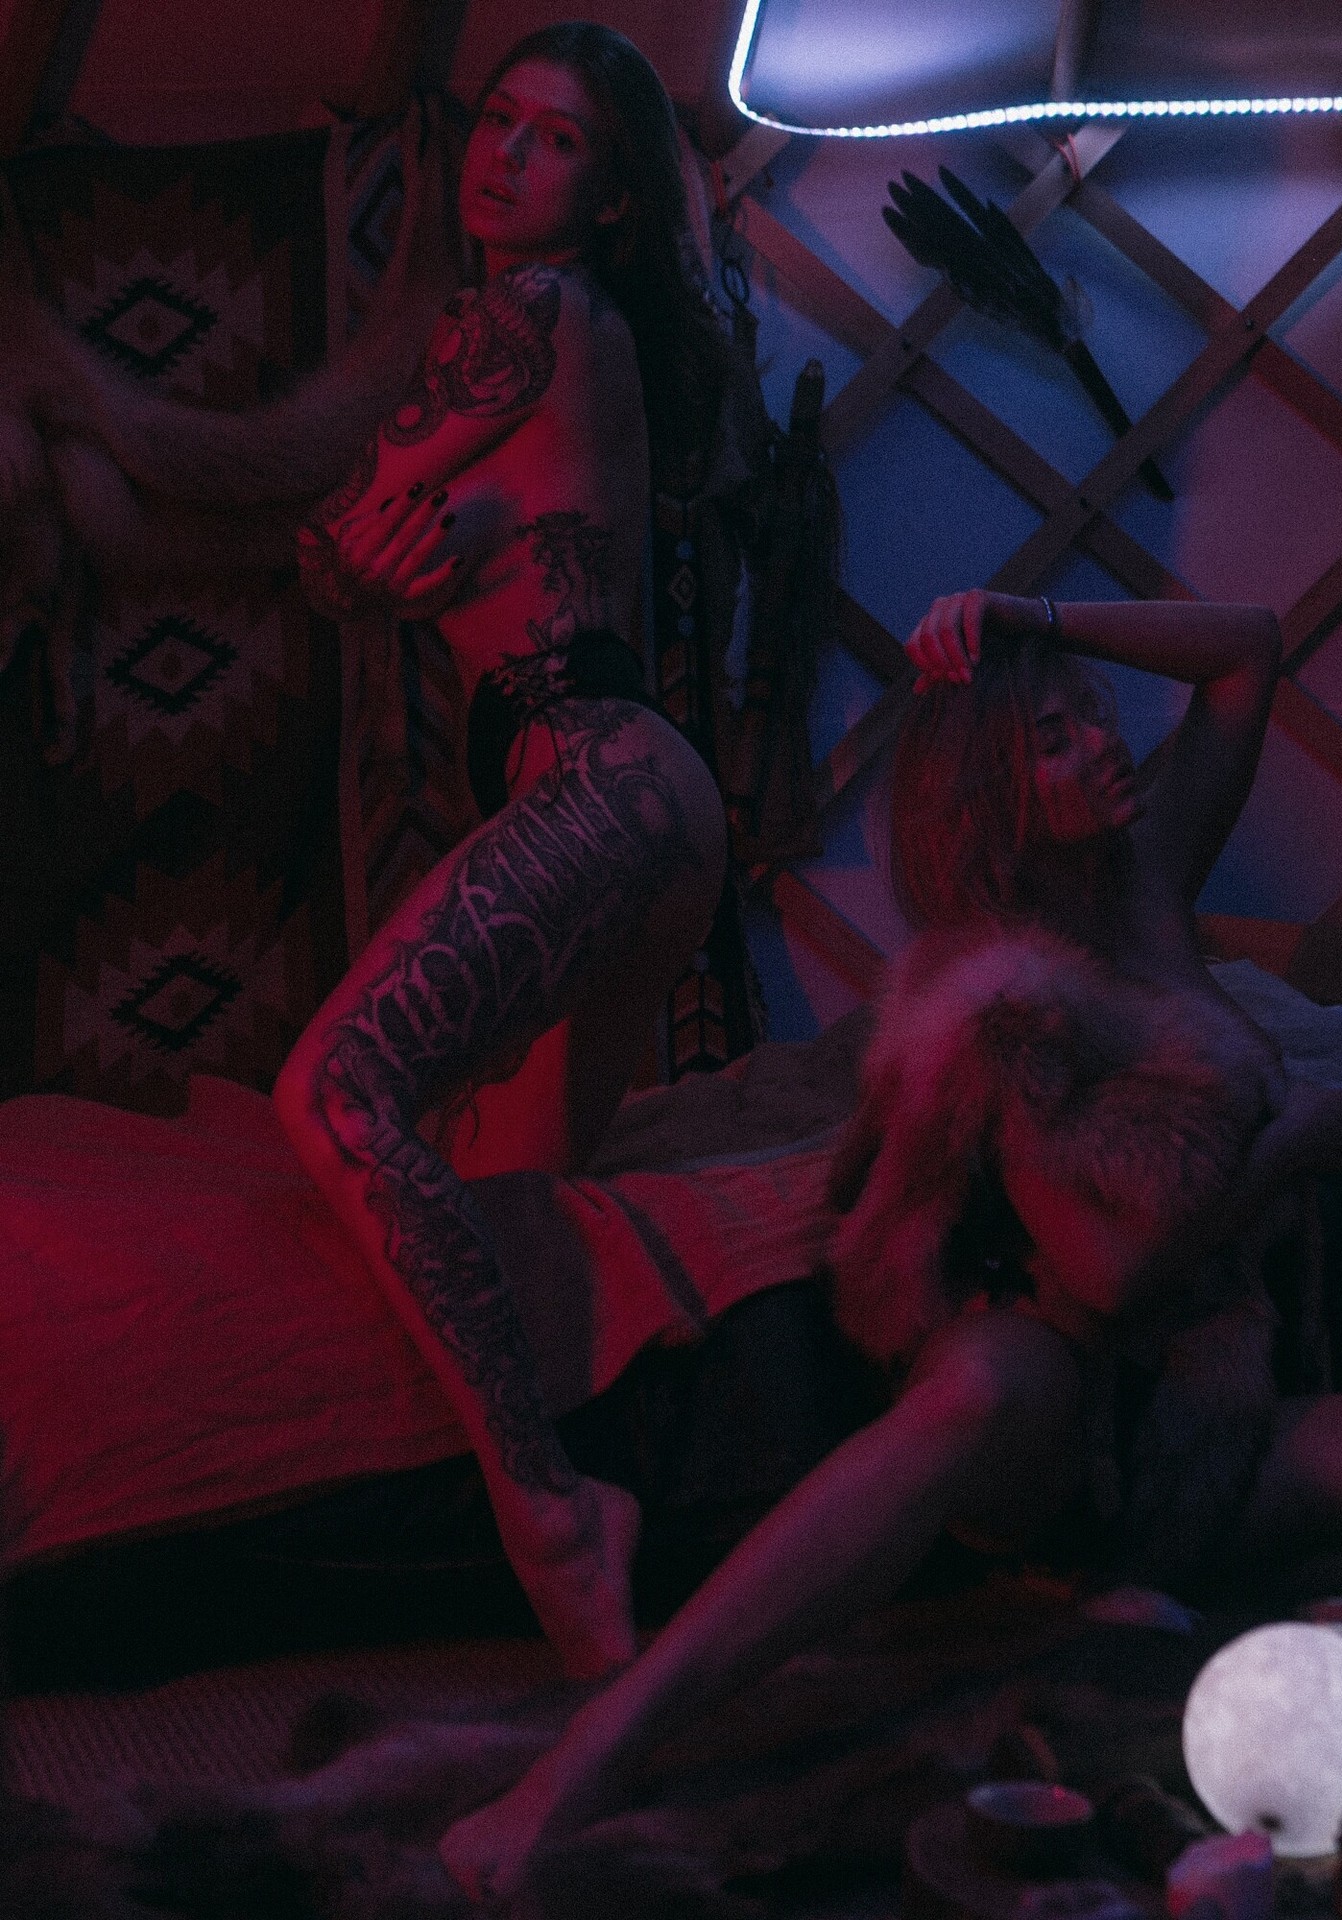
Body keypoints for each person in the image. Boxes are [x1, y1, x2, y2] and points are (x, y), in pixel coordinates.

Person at [436, 588, 1342, 1903]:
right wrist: (1289, 1144)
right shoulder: (996, 991)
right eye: (1055, 742)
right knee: (982, 1378)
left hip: (1225, 1409)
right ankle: (579, 1767)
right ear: (990, 805)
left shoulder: (1148, 882)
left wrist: (1037, 615)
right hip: (1070, 1425)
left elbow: (1247, 650)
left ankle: (1272, 1596)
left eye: (1095, 718)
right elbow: (1105, 1274)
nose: (1105, 745)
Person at [272, 25, 734, 1683]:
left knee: (335, 1095)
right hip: (650, 803)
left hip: (591, 779)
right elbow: (429, 534)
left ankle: (553, 1512)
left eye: (556, 140)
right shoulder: (578, 340)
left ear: (610, 200)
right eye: (499, 121)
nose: (504, 156)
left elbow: (336, 529)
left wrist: (349, 567)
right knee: (507, 1216)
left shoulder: (521, 310)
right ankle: (647, 1546)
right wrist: (389, 559)